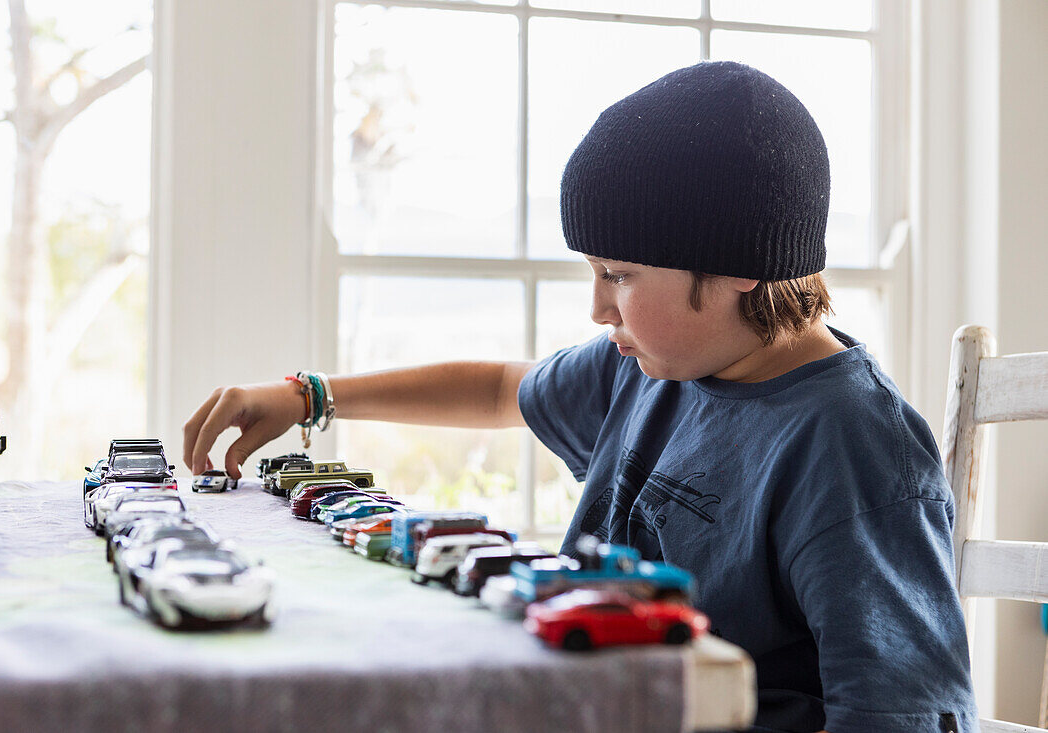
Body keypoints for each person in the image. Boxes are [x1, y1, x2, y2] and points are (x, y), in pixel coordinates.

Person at [184, 61, 977, 733]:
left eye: (620, 276)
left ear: (741, 266)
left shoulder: (855, 451)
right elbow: (501, 387)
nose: (599, 310)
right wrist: (310, 395)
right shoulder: (648, 365)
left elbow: (901, 709)